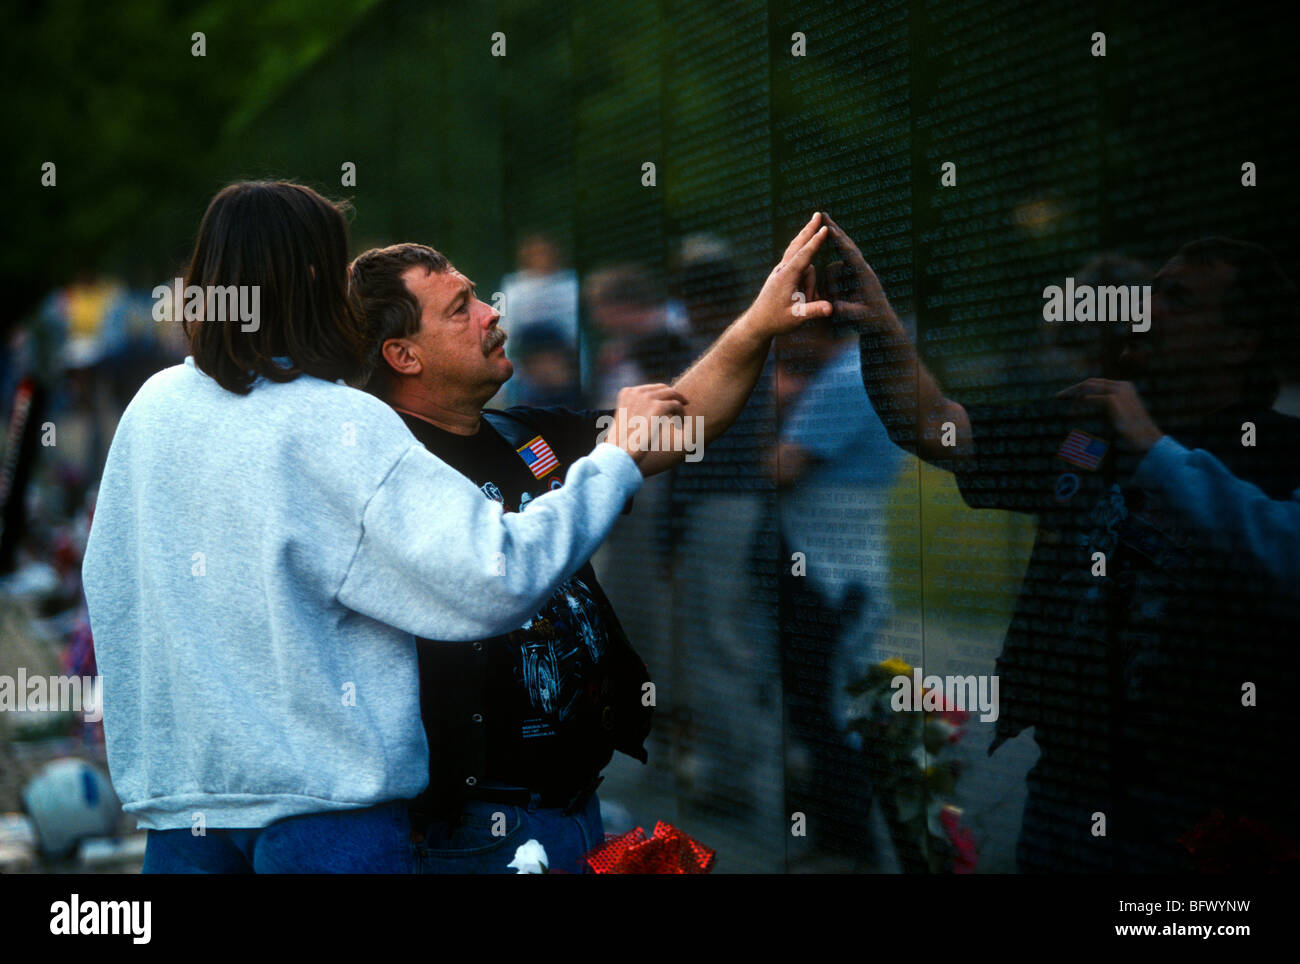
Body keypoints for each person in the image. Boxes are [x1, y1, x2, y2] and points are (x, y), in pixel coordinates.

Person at [80, 180, 678, 873]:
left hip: (185, 817)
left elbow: (113, 586)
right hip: (327, 823)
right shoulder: (339, 422)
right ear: (309, 279)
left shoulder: (153, 408)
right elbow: (494, 574)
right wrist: (617, 463)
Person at [348, 212, 834, 873]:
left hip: (578, 805)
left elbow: (681, 420)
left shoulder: (527, 435)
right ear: (403, 355)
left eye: (479, 296)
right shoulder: (383, 468)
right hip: (479, 830)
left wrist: (755, 324)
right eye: (461, 308)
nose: (492, 313)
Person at [844, 219, 1300, 872]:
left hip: (1209, 813)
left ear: (1241, 340)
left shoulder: (1281, 458)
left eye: (1181, 299)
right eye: (1153, 289)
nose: (1147, 308)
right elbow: (932, 425)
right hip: (1066, 791)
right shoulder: (1091, 421)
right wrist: (881, 324)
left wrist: (1155, 451)